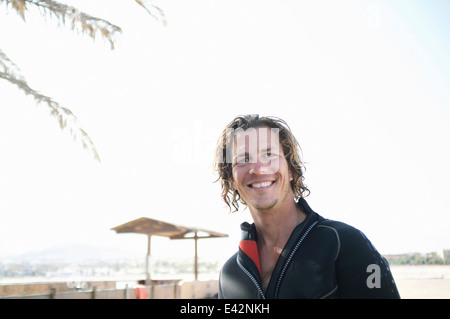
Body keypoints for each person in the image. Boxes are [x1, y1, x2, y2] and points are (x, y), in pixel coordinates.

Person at [214, 114, 400, 299]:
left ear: (292, 169)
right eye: (242, 159)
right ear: (231, 179)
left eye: (269, 154)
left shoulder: (344, 244)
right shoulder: (230, 276)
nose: (258, 167)